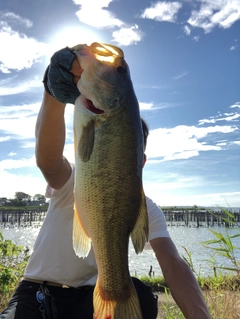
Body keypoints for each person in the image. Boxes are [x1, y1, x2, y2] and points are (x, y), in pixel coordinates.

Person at [0, 46, 211, 319]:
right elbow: (48, 161)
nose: (117, 68)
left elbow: (172, 263)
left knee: (143, 299)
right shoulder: (73, 180)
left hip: (90, 297)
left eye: (120, 71)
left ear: (140, 159)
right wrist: (53, 90)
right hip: (38, 293)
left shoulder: (147, 209)